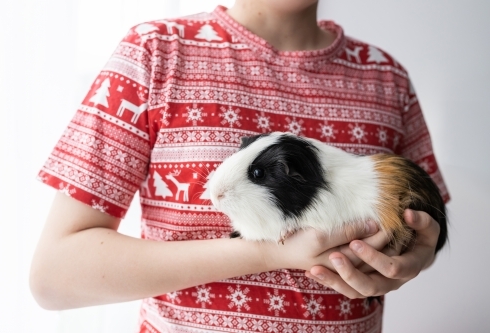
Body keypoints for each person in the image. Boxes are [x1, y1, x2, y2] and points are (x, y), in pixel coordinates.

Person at [30, 1, 450, 332]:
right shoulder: (156, 51)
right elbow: (55, 275)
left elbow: (421, 225)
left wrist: (411, 255)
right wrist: (267, 253)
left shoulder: (386, 77)